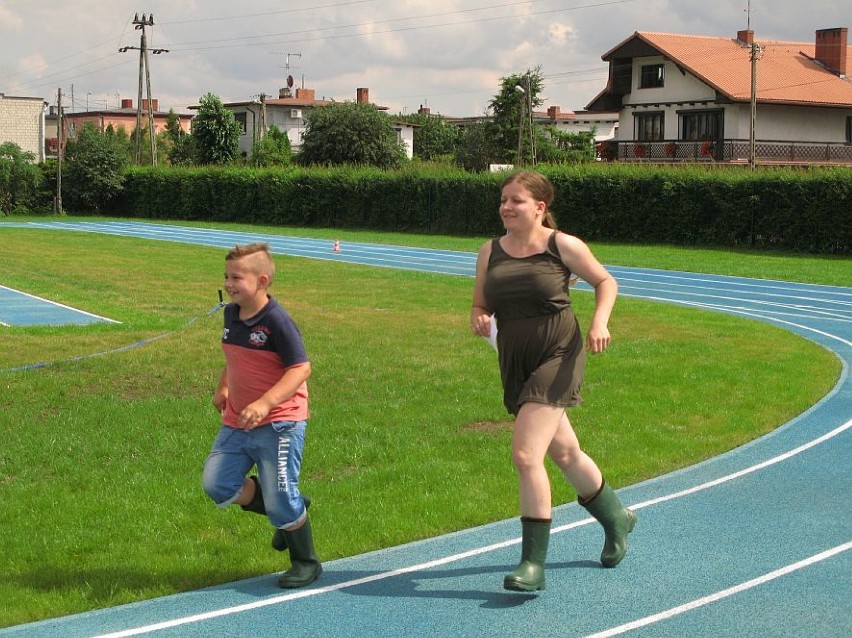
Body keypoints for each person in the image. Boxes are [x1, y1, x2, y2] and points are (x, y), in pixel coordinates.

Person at [470, 171, 636, 592]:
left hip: (558, 353)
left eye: (517, 201)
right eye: (503, 200)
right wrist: (478, 314)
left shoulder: (561, 245)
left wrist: (600, 322)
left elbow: (605, 281)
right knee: (565, 451)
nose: (506, 207)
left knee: (527, 455)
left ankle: (532, 565)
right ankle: (617, 517)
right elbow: (480, 300)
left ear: (540, 208)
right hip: (514, 357)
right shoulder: (490, 251)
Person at [202, 242, 321, 589]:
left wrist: (265, 403)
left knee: (282, 496)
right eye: (226, 276)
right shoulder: (231, 313)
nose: (229, 283)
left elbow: (301, 369)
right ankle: (291, 507)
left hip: (280, 421)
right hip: (238, 421)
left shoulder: (277, 322)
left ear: (263, 280)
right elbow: (234, 357)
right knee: (217, 484)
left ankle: (306, 561)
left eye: (237, 277)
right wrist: (223, 387)